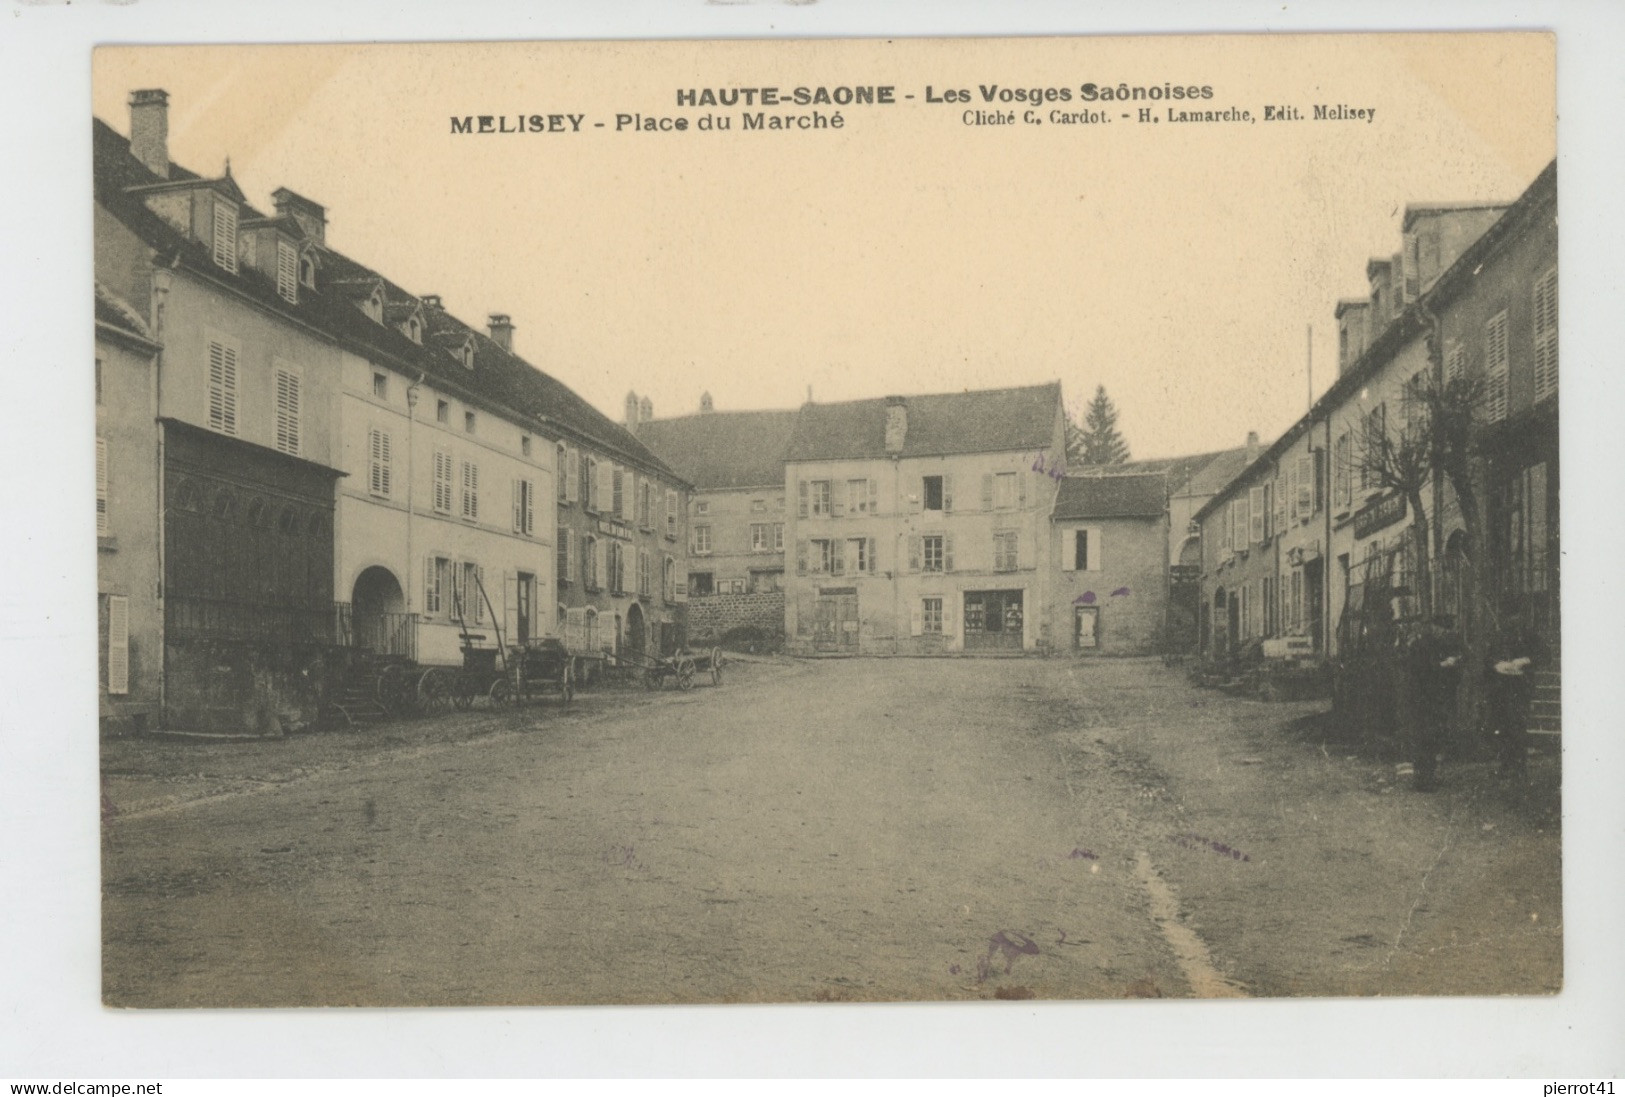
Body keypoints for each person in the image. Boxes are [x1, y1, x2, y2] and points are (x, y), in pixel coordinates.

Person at [1406, 615, 1463, 792]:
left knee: (1429, 738)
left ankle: (1426, 776)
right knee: (1424, 738)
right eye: (1440, 629)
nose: (1442, 633)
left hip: (1428, 698)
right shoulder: (1422, 646)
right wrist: (1443, 665)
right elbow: (1425, 670)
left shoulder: (1427, 644)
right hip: (1423, 698)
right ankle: (1423, 780)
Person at [1486, 616, 1544, 780]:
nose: (1511, 621)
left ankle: (1519, 768)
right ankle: (1505, 765)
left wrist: (1525, 660)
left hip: (1520, 689)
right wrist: (1496, 664)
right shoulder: (1498, 636)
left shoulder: (1529, 636)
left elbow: (1545, 656)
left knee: (1518, 727)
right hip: (1500, 688)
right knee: (1503, 728)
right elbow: (1488, 657)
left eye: (1515, 617)